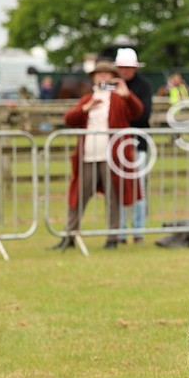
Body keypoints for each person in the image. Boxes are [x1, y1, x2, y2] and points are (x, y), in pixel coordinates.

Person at [53, 61, 144, 250]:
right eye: (98, 73)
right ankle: (69, 234)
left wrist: (127, 96)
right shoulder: (87, 98)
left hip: (112, 156)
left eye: (106, 73)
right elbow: (69, 119)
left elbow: (137, 112)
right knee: (78, 195)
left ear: (113, 77)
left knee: (113, 196)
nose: (102, 76)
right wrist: (85, 109)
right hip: (88, 155)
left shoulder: (120, 98)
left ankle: (112, 237)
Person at [113, 47, 152, 243]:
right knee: (118, 188)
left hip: (137, 143)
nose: (125, 71)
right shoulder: (111, 87)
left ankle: (138, 231)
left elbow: (144, 114)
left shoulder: (143, 86)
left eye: (128, 67)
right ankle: (119, 232)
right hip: (116, 144)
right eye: (122, 67)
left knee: (138, 187)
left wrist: (128, 96)